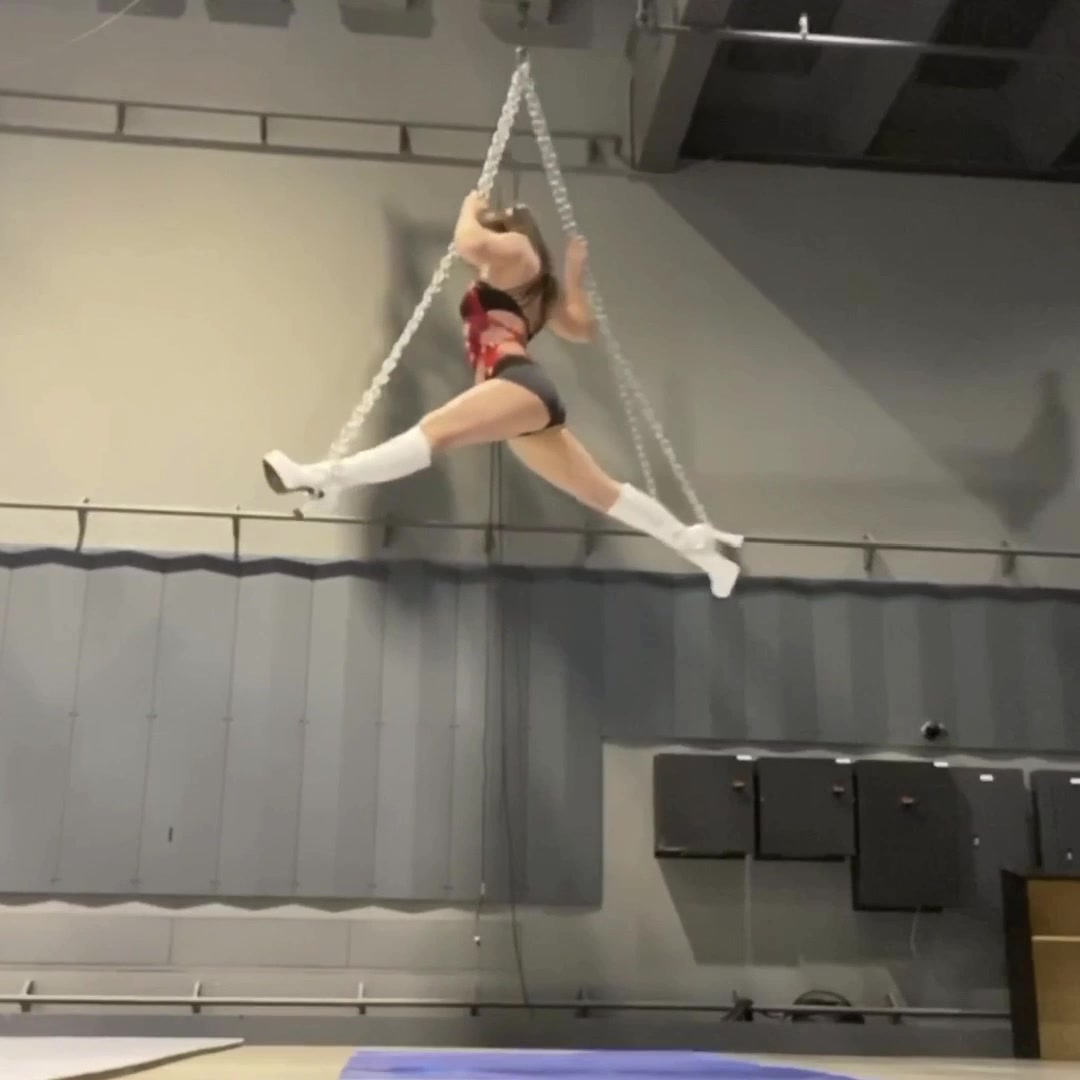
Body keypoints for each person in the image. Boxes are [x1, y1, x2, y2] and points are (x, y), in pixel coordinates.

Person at [262, 190, 742, 597]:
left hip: (515, 382)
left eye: (497, 225)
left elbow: (467, 241)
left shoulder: (517, 250)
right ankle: (701, 551)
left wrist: (470, 205)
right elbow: (580, 327)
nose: (489, 237)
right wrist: (574, 276)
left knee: (436, 432)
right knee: (601, 492)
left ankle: (324, 478)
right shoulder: (531, 284)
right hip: (522, 397)